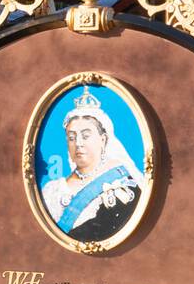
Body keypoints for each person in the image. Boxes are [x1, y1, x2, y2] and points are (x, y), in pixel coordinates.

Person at [40, 87, 144, 242]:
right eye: (71, 137)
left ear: (103, 140)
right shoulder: (51, 190)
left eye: (86, 136)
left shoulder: (122, 185)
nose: (78, 143)